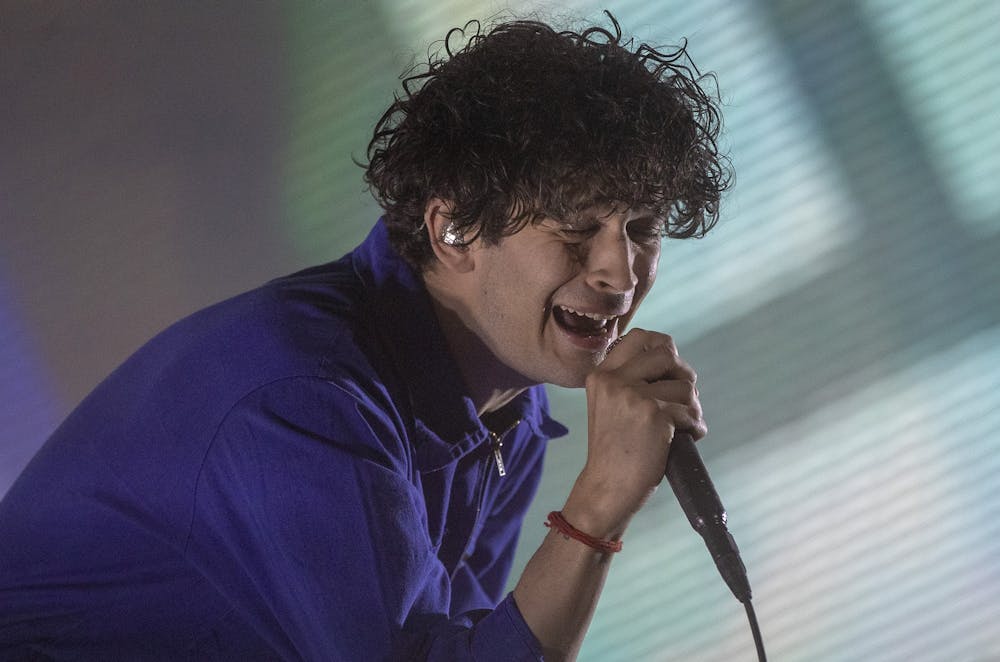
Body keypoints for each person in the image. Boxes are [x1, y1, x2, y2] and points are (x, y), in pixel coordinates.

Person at [0, 12, 728, 661]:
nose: (620, 271)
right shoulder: (305, 396)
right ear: (453, 229)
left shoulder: (511, 412)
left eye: (642, 229)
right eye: (577, 225)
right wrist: (597, 507)